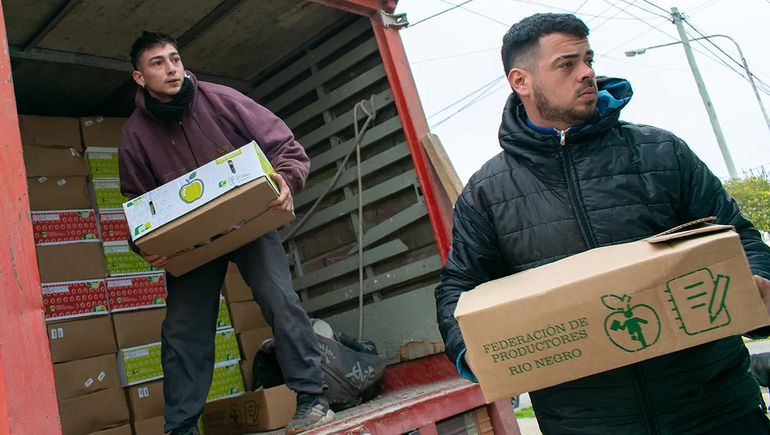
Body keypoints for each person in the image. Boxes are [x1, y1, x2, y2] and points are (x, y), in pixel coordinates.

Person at [434, 13, 770, 434]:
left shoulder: (662, 153)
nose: (588, 73)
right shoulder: (487, 193)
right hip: (587, 423)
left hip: (717, 411)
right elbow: (459, 289)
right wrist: (475, 352)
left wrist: (757, 283)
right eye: (567, 64)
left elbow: (741, 239)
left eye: (589, 59)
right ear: (521, 81)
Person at [119, 32, 334, 435]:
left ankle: (312, 398)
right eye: (158, 63)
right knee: (183, 330)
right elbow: (136, 205)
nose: (171, 68)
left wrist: (286, 181)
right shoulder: (135, 135)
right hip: (192, 242)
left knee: (279, 300)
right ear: (139, 77)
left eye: (175, 58)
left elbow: (288, 149)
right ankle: (180, 428)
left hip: (248, 222)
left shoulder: (221, 100)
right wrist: (144, 246)